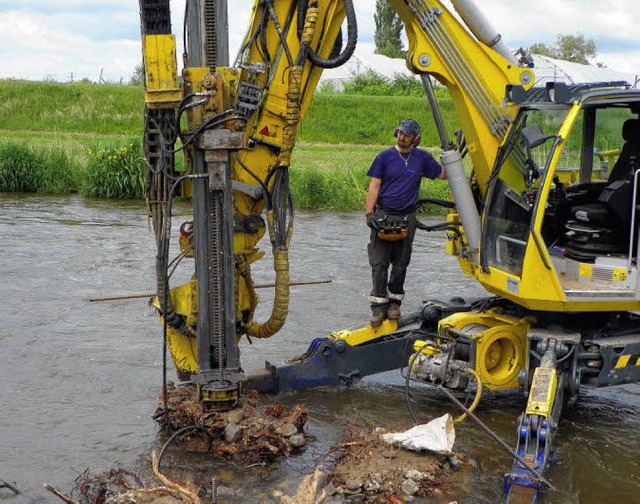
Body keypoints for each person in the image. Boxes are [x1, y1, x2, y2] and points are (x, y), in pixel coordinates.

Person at [365, 119, 445, 327]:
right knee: (380, 264)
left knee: (400, 264)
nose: (402, 137)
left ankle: (394, 305)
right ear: (396, 133)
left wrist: (449, 156)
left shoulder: (422, 159)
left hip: (407, 217)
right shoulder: (384, 157)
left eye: (407, 135)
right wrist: (369, 214)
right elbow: (374, 186)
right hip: (384, 214)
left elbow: (443, 175)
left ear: (415, 139)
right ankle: (378, 307)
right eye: (400, 133)